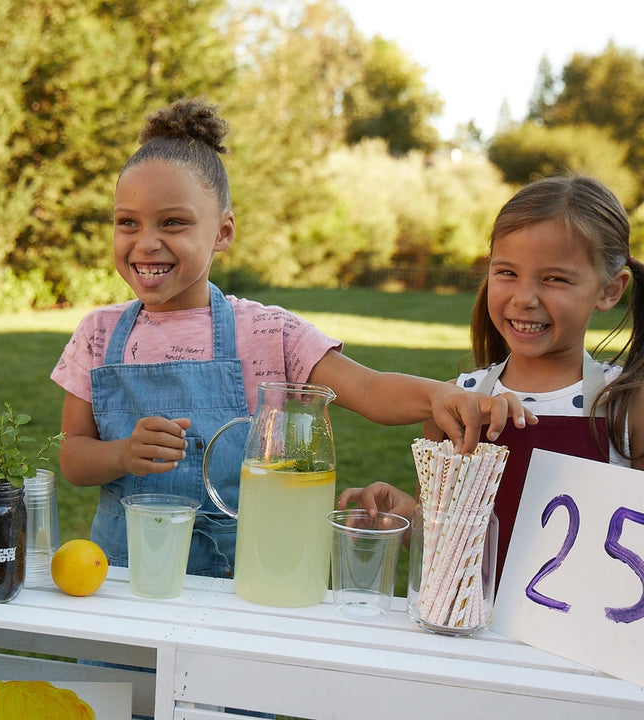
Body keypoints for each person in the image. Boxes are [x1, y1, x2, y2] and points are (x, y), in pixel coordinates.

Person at [51, 97, 534, 579]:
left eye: (173, 222)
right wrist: (121, 454)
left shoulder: (267, 332)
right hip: (128, 583)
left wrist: (439, 396)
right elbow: (73, 455)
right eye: (127, 222)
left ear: (223, 231)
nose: (146, 241)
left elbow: (368, 389)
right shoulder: (99, 334)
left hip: (246, 584)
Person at [339, 175, 644, 582]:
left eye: (554, 278)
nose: (524, 297)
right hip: (467, 640)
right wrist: (402, 514)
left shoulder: (623, 404)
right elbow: (443, 543)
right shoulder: (455, 401)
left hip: (576, 643)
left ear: (610, 290)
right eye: (507, 272)